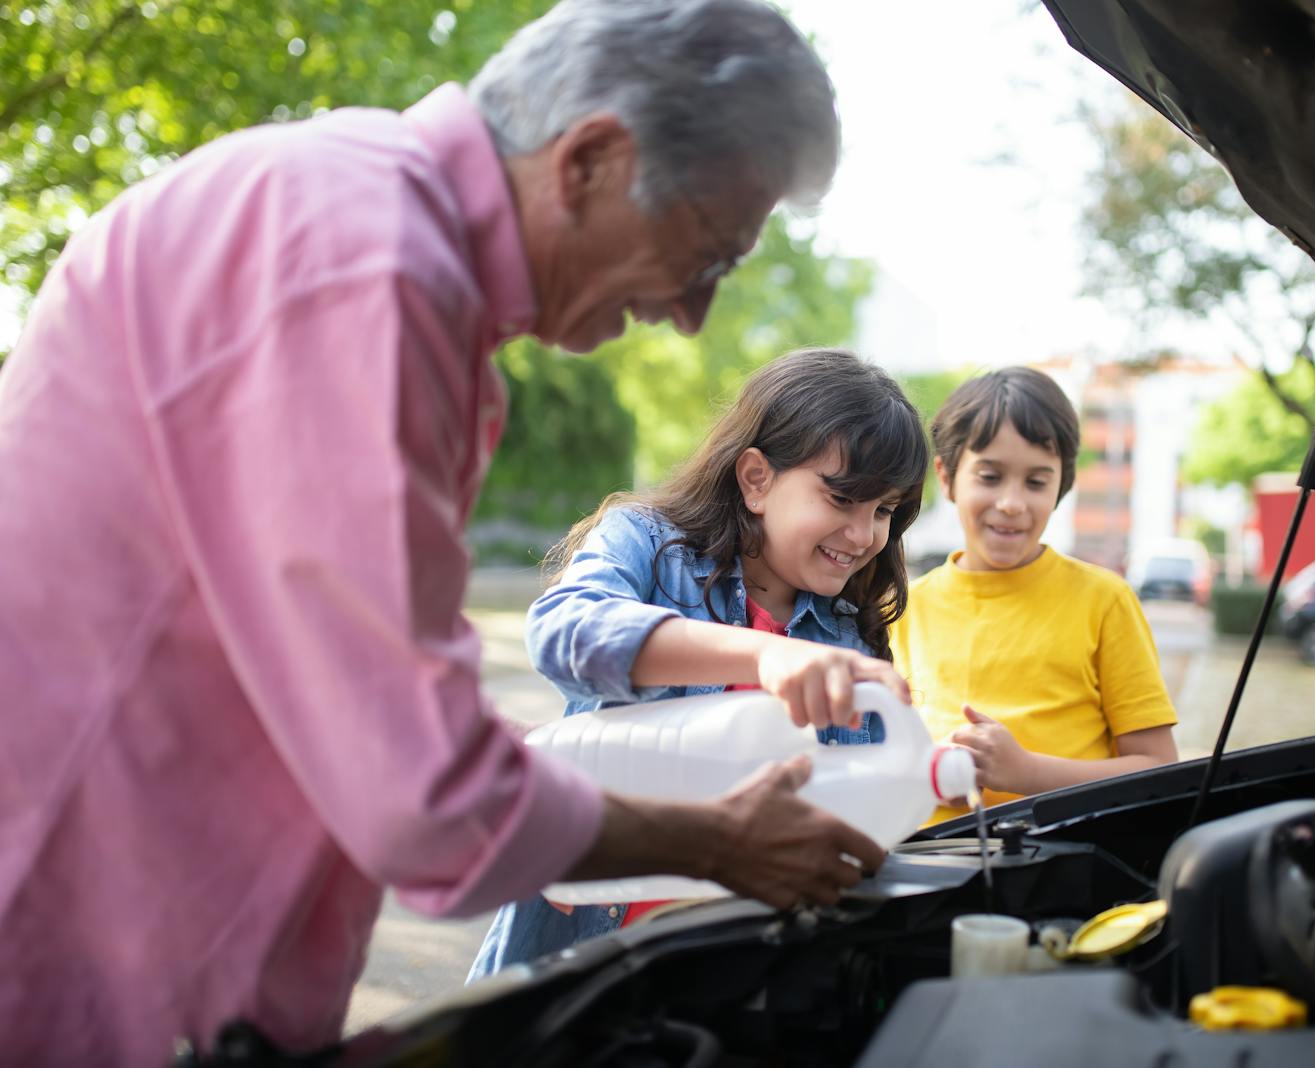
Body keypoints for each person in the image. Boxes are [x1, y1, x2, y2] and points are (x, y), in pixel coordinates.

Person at [0, 2, 886, 1063]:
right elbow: (428, 795)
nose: (691, 315)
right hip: (76, 959)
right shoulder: (364, 269)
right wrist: (720, 844)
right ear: (591, 160)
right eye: (703, 254)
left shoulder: (364, 229)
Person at [468, 347, 928, 978]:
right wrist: (767, 654)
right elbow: (564, 630)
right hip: (585, 936)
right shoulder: (647, 544)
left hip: (730, 966)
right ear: (757, 479)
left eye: (884, 511)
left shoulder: (849, 637)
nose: (864, 535)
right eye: (843, 499)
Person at [889, 367, 1179, 823]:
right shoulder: (902, 607)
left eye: (1036, 482)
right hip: (928, 864)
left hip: (1066, 863)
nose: (1011, 503)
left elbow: (1158, 770)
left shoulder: (1104, 600)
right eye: (989, 476)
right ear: (946, 477)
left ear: (1062, 485)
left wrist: (1025, 771)